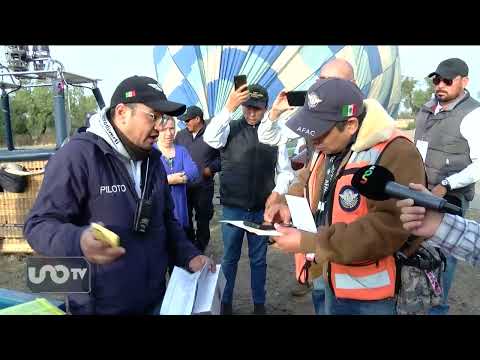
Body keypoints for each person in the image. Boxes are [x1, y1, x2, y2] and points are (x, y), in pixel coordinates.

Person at [23, 76, 214, 315]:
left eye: (164, 118)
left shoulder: (153, 161)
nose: (160, 127)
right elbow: (37, 226)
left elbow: (166, 221)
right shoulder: (78, 156)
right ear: (122, 112)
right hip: (99, 308)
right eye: (153, 116)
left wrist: (190, 256)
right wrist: (79, 240)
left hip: (157, 301)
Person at [264, 78, 426, 315]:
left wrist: (311, 242)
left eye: (319, 133)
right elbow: (308, 179)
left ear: (350, 124)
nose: (313, 142)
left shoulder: (396, 152)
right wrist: (287, 203)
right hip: (332, 276)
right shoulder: (329, 146)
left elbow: (388, 228)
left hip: (372, 297)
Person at [258, 58, 356, 313]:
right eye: (320, 80)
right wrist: (276, 112)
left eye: (332, 82)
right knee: (320, 292)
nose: (322, 87)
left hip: (350, 257)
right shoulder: (316, 124)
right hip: (318, 230)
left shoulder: (372, 139)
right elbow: (306, 172)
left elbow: (381, 230)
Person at [203, 83, 294, 315]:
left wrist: (277, 192)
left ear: (265, 108)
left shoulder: (276, 133)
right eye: (247, 107)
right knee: (230, 258)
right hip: (233, 209)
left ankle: (259, 305)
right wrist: (227, 108)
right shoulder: (229, 127)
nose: (251, 112)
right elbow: (210, 139)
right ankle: (225, 304)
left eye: (257, 108)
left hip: (261, 209)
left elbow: (285, 171)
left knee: (259, 260)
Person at [414, 58, 480, 315]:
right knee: (413, 253)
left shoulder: (473, 115)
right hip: (419, 191)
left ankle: (437, 310)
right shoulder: (428, 108)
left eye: (447, 80)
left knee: (443, 257)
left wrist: (446, 184)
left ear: (465, 82)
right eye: (436, 79)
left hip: (449, 198)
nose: (440, 85)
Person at [397, 183, 480, 268]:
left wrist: (446, 184)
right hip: (435, 208)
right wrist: (440, 223)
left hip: (453, 195)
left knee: (447, 260)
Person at [176, 106, 221, 252]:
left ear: (197, 119)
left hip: (204, 186)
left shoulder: (213, 134)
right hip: (184, 186)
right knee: (185, 217)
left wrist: (212, 168)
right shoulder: (180, 136)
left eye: (188, 120)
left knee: (203, 218)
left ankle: (201, 247)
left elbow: (223, 157)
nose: (185, 123)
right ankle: (189, 246)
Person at [155, 115, 199, 234]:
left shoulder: (181, 150)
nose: (168, 133)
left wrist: (181, 178)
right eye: (163, 129)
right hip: (160, 212)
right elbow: (147, 180)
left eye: (171, 128)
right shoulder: (151, 152)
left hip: (180, 210)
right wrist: (168, 180)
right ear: (156, 130)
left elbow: (193, 171)